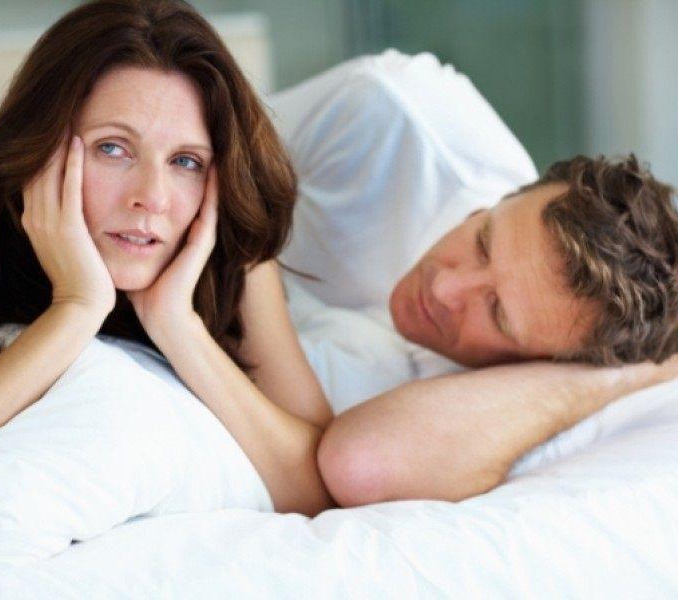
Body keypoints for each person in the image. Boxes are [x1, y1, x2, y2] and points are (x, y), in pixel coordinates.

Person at [0, 0, 333, 538]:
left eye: (185, 161)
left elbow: (317, 489)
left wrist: (178, 326)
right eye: (113, 149)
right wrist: (75, 310)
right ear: (41, 145)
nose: (152, 198)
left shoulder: (218, 235)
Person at [268, 51, 678, 506]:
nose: (445, 289)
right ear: (504, 200)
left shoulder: (489, 402)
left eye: (497, 313)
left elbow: (365, 463)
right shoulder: (393, 112)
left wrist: (616, 379)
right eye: (482, 241)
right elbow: (212, 162)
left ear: (543, 362)